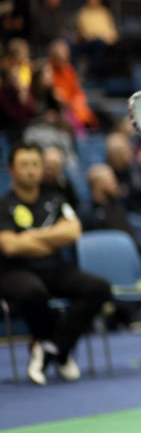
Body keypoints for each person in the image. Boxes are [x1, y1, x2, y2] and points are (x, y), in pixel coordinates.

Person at [0, 142, 111, 386]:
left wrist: (30, 237)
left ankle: (52, 348)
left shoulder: (55, 198)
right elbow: (9, 246)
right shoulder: (4, 205)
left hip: (54, 267)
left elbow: (73, 231)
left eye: (35, 165)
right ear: (11, 170)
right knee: (32, 293)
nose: (30, 170)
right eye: (24, 165)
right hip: (16, 270)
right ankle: (55, 346)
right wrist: (52, 236)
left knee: (98, 288)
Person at [83, 164, 141, 278]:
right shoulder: (89, 213)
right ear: (99, 185)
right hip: (116, 262)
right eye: (112, 180)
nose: (115, 184)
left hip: (136, 256)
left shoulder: (116, 206)